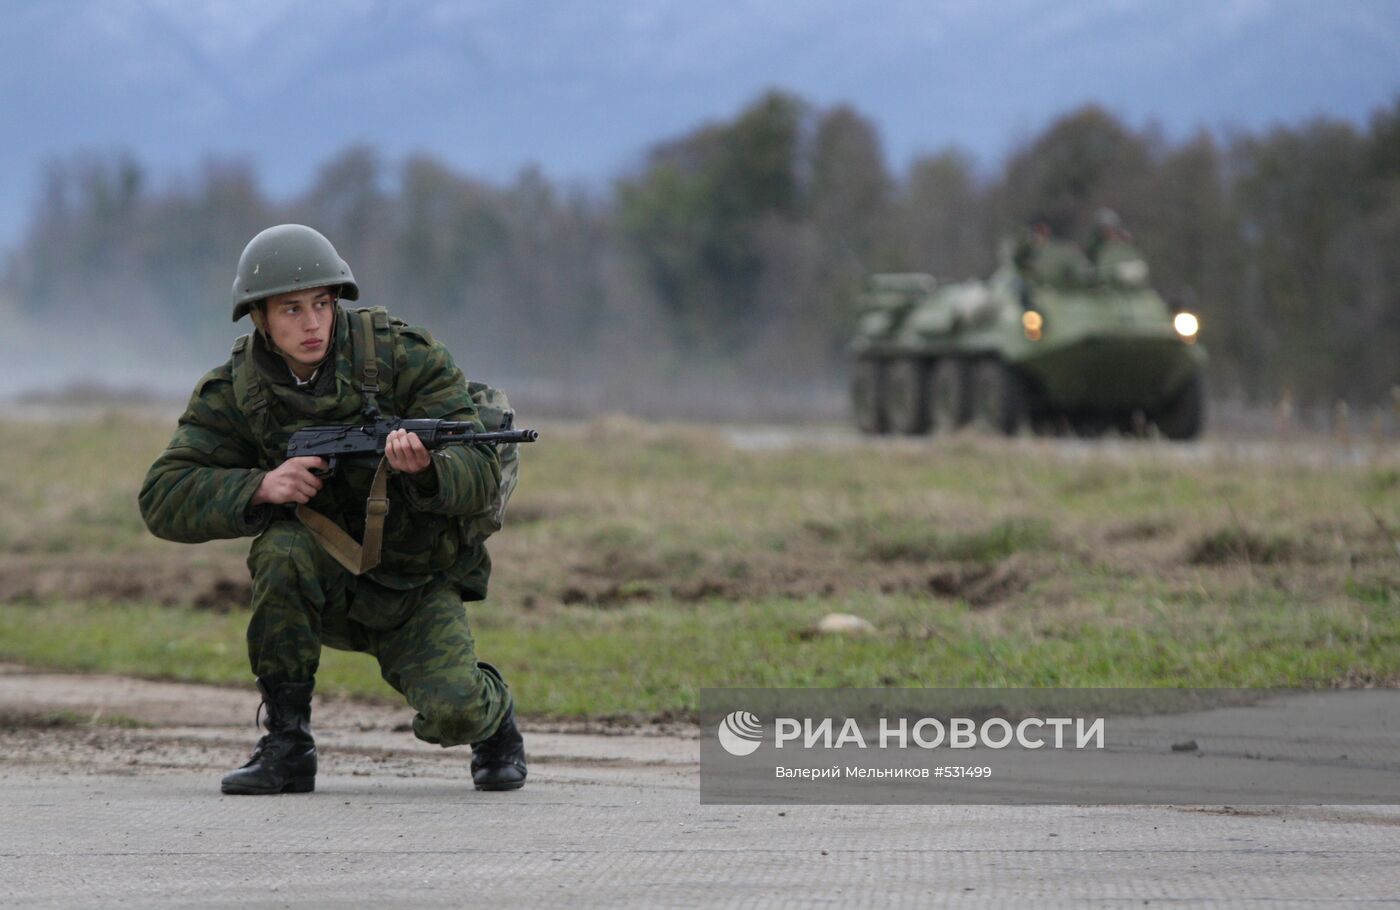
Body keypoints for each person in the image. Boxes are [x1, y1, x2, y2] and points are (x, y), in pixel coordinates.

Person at [138, 224, 527, 796]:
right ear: (259, 317)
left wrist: (425, 469)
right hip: (317, 580)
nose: (312, 323)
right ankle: (287, 744)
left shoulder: (404, 358)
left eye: (321, 304)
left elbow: (478, 472)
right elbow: (162, 495)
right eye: (291, 309)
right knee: (282, 548)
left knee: (454, 711)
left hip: (413, 582)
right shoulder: (237, 391)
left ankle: (495, 724)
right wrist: (260, 487)